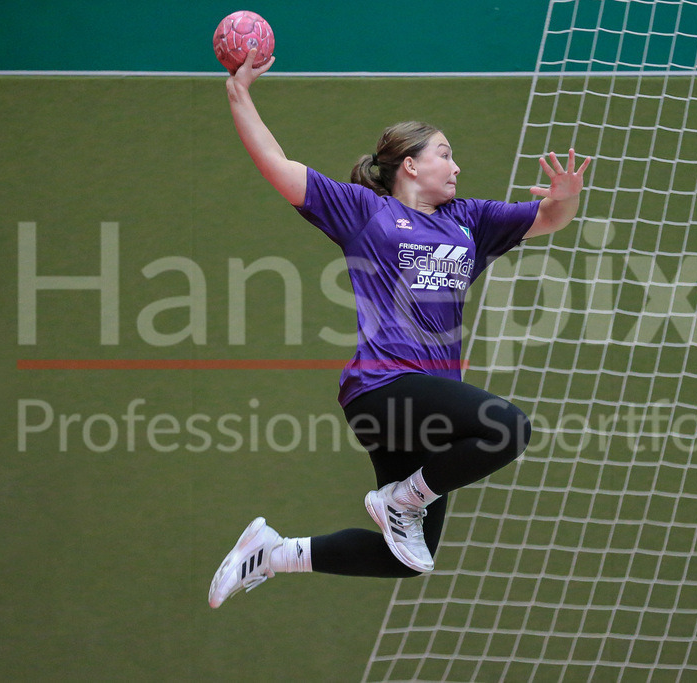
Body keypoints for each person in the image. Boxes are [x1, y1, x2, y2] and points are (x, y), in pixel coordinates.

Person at [209, 49, 591, 608]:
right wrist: (239, 94)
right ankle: (404, 498)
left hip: (424, 405)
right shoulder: (366, 212)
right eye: (445, 153)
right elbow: (278, 165)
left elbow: (550, 218)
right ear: (410, 165)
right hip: (383, 386)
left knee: (405, 558)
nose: (456, 166)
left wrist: (566, 197)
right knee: (507, 429)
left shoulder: (472, 221)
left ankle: (271, 552)